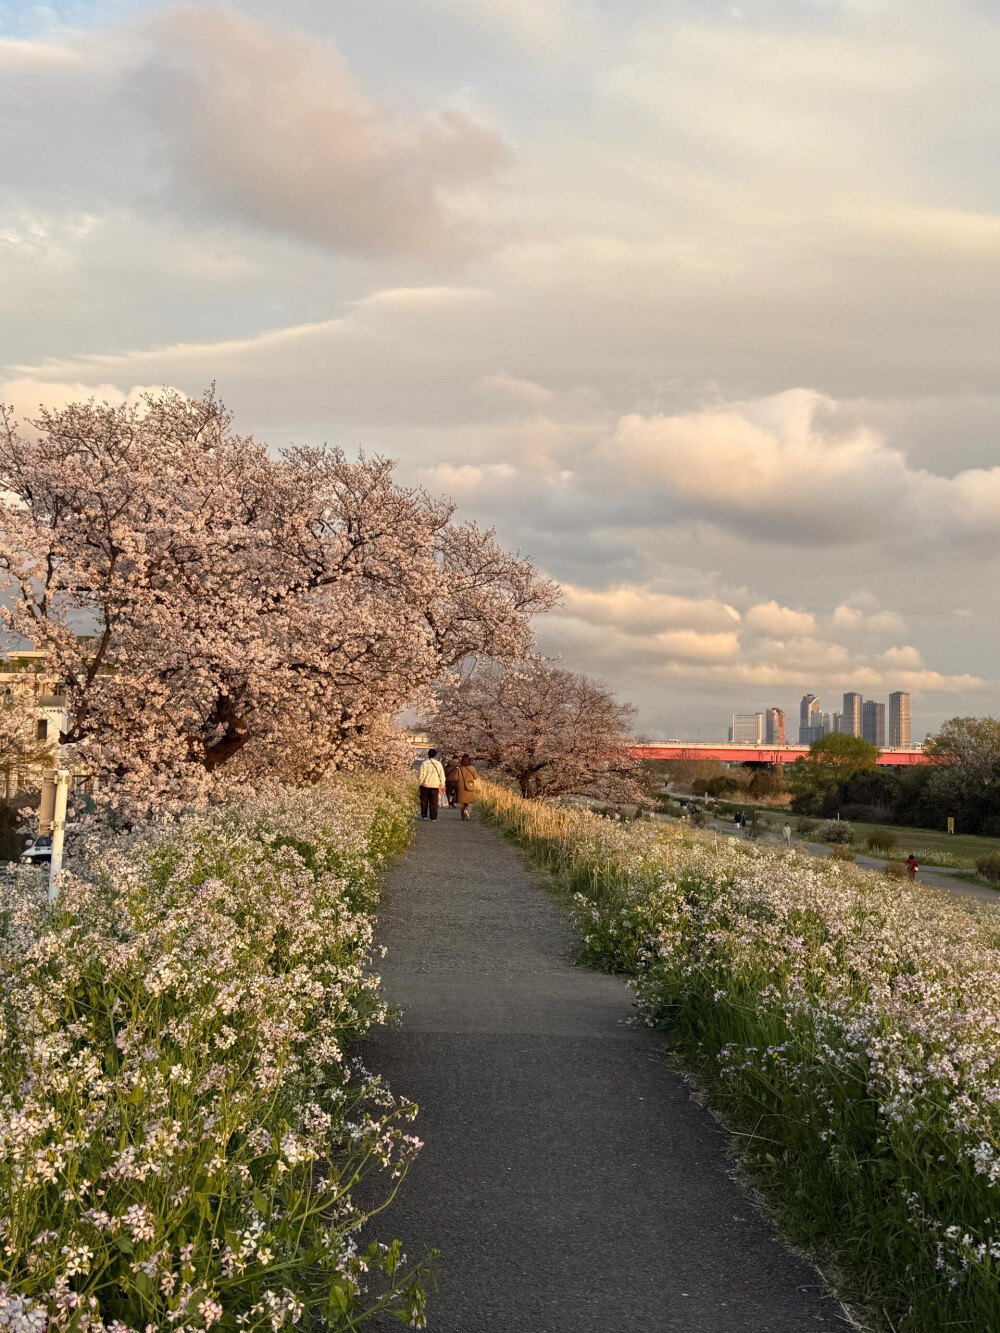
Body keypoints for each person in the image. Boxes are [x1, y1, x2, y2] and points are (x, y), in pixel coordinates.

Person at [417, 748, 446, 821]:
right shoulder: (438, 764)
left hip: (425, 785)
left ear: (428, 754)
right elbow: (441, 775)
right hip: (435, 785)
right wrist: (442, 784)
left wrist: (420, 783)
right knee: (434, 802)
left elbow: (421, 775)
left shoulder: (424, 763)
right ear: (435, 755)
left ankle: (424, 815)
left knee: (424, 800)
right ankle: (433, 817)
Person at [457, 753, 479, 821]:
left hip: (461, 787)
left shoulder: (459, 769)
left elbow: (457, 778)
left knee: (462, 802)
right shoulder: (472, 768)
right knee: (470, 801)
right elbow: (476, 777)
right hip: (470, 786)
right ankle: (467, 810)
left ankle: (463, 816)